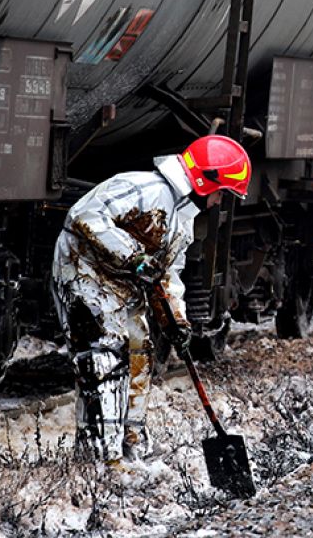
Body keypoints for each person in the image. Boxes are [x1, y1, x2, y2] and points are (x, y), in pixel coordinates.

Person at [52, 135, 251, 463]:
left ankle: (132, 443)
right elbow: (84, 216)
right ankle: (100, 457)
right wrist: (133, 256)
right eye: (222, 193)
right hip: (84, 270)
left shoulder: (182, 219)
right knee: (104, 356)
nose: (219, 202)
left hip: (121, 281)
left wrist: (176, 321)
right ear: (206, 181)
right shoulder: (145, 189)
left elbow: (168, 274)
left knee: (139, 351)